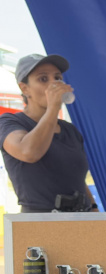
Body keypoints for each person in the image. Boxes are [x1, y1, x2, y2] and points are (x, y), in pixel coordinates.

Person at [0, 54, 98, 212]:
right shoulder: (9, 123)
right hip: (40, 226)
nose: (54, 84)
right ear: (24, 88)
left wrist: (93, 208)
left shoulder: (70, 130)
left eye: (58, 78)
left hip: (80, 222)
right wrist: (53, 107)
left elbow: (76, 179)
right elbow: (28, 152)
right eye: (43, 79)